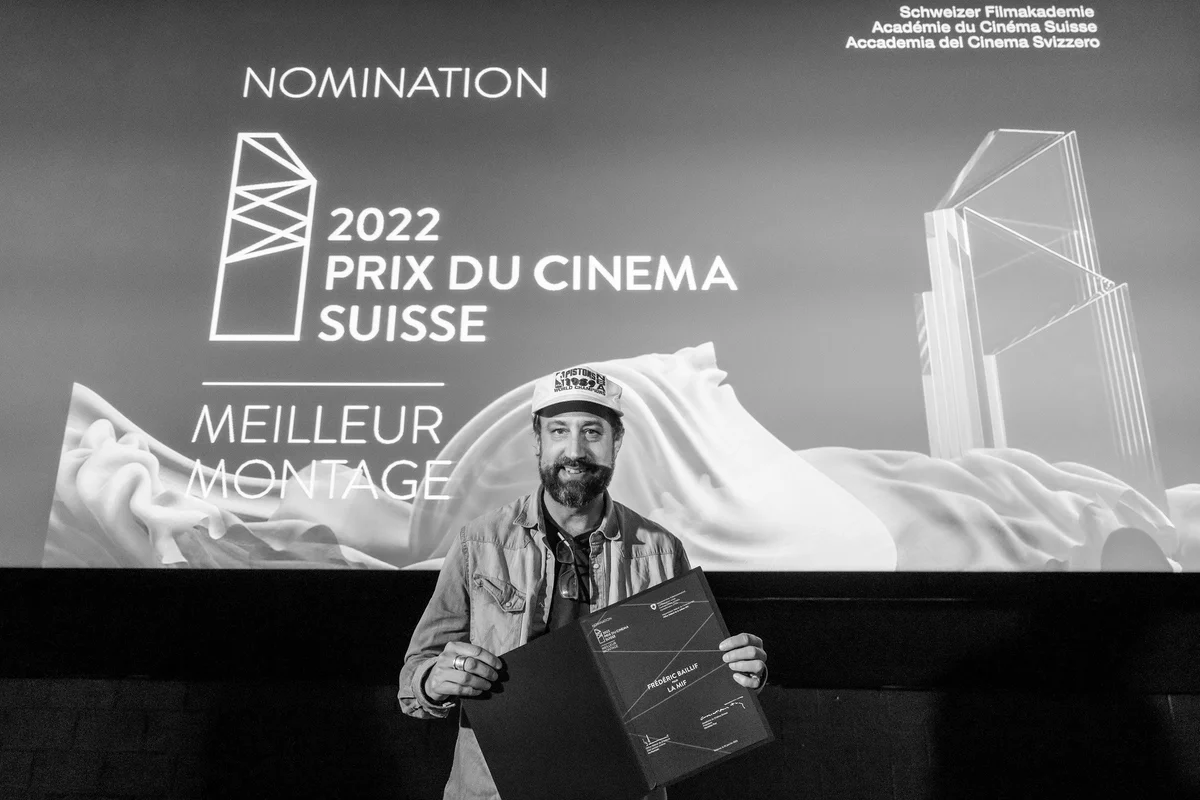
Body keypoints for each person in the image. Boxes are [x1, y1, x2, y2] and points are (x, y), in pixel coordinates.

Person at [399, 365, 768, 800]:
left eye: (592, 432)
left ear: (617, 442)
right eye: (559, 431)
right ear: (537, 441)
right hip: (494, 790)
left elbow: (686, 685)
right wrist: (433, 681)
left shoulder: (660, 550)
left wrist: (736, 676)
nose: (574, 451)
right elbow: (414, 678)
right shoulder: (478, 542)